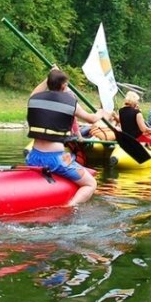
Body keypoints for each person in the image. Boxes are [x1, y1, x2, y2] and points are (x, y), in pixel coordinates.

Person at [25, 67, 111, 207]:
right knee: (91, 184)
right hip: (56, 160)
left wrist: (52, 75)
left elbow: (40, 88)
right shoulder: (71, 103)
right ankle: (70, 206)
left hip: (33, 157)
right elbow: (92, 118)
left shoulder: (33, 98)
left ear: (48, 82)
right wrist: (103, 113)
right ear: (64, 86)